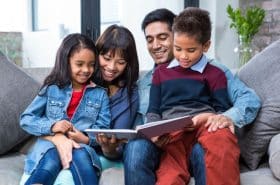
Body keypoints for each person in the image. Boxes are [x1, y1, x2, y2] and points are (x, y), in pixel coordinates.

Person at [124, 8, 261, 185]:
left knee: (219, 136)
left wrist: (218, 118)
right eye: (150, 40)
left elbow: (237, 105)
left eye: (163, 37)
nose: (156, 45)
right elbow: (151, 114)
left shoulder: (215, 71)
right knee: (142, 153)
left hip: (202, 130)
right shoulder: (147, 81)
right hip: (169, 141)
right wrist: (152, 132)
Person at [18, 24, 140, 185]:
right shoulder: (52, 88)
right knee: (50, 161)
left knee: (83, 158)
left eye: (91, 64)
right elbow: (26, 119)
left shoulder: (100, 93)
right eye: (79, 64)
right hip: (50, 145)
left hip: (83, 147)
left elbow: (102, 128)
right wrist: (53, 127)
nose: (86, 70)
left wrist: (86, 139)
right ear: (66, 61)